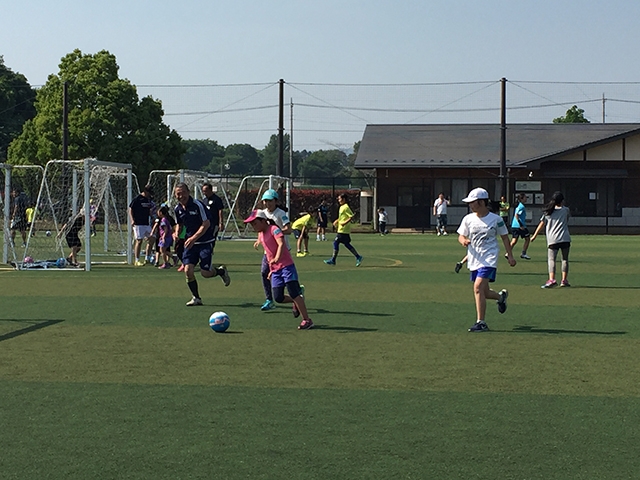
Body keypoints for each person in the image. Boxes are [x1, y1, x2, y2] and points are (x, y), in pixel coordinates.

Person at [457, 187, 516, 332]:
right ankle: (500, 297)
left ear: (482, 202)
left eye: (473, 202)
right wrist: (463, 240)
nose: (470, 205)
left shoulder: (496, 220)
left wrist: (510, 256)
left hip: (489, 258)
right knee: (484, 291)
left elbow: (504, 238)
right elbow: (460, 235)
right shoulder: (468, 219)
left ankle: (481, 322)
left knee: (477, 287)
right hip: (474, 258)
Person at [244, 209, 313, 330]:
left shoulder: (274, 229)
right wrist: (271, 269)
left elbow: (281, 244)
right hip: (275, 270)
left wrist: (277, 258)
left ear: (263, 221)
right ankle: (295, 301)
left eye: (255, 223)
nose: (253, 226)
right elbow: (269, 254)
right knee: (278, 297)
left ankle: (307, 320)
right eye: (252, 224)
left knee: (293, 292)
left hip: (287, 266)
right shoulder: (261, 233)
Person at [173, 182, 230, 306]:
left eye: (183, 193)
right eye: (178, 194)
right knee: (188, 270)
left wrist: (194, 237)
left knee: (205, 273)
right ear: (175, 195)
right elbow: (179, 224)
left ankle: (221, 272)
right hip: (190, 243)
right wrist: (177, 232)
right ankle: (196, 298)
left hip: (204, 242)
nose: (181, 196)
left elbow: (206, 223)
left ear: (188, 193)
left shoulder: (197, 205)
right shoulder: (177, 209)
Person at [259, 189, 291, 311]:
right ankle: (269, 299)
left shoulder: (280, 213)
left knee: (283, 276)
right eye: (265, 201)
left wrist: (276, 233)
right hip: (268, 251)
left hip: (282, 250)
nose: (268, 203)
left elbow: (289, 229)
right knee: (264, 272)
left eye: (270, 201)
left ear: (276, 201)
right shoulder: (262, 213)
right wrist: (259, 239)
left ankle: (296, 292)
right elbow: (261, 229)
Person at [531, 191, 572, 288]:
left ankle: (552, 279)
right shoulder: (566, 210)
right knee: (565, 259)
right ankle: (564, 280)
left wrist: (534, 235)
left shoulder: (548, 212)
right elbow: (567, 220)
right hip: (565, 237)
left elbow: (542, 224)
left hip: (553, 239)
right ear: (562, 201)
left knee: (551, 259)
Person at [324, 193, 363, 267]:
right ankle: (358, 257)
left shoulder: (346, 207)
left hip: (344, 229)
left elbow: (351, 216)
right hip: (341, 229)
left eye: (339, 198)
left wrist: (344, 223)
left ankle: (333, 260)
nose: (338, 200)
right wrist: (337, 220)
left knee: (335, 242)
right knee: (347, 244)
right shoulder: (341, 207)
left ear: (344, 199)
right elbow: (342, 217)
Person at [129, 184, 156, 266]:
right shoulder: (138, 199)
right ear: (145, 191)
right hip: (138, 223)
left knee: (152, 238)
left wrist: (152, 215)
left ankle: (147, 257)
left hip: (146, 223)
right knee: (139, 241)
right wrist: (132, 220)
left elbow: (148, 210)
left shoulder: (148, 199)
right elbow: (130, 209)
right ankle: (137, 260)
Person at [509, 193, 531, 259]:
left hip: (514, 225)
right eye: (525, 197)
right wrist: (521, 224)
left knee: (514, 240)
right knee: (527, 238)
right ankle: (523, 253)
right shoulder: (521, 206)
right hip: (520, 226)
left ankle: (508, 253)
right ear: (521, 199)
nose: (526, 198)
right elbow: (517, 215)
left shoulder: (519, 205)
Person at [156, 205, 174, 269]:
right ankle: (173, 257)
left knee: (162, 250)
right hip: (167, 237)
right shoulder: (166, 219)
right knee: (163, 250)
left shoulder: (163, 220)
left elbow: (166, 229)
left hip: (165, 237)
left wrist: (163, 237)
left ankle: (166, 263)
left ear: (161, 212)